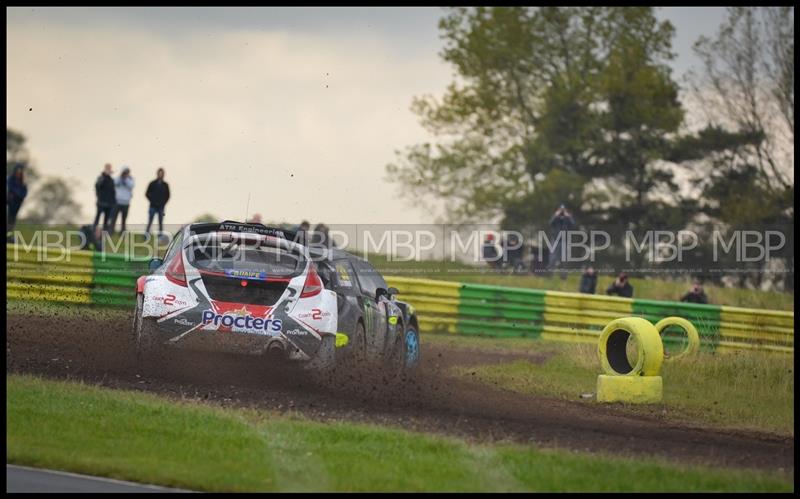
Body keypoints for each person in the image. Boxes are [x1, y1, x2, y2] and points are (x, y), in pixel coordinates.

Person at [548, 204, 575, 278]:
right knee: (552, 258)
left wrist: (568, 216)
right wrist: (555, 215)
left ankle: (563, 276)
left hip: (565, 240)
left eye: (563, 210)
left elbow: (573, 225)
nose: (562, 211)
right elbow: (550, 223)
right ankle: (550, 275)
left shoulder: (568, 217)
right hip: (555, 239)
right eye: (561, 210)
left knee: (564, 259)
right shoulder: (556, 217)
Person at [145, 167, 170, 236]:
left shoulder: (165, 185)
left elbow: (168, 196)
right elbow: (147, 194)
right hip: (153, 206)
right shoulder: (152, 183)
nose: (160, 175)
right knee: (150, 221)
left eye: (162, 174)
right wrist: (152, 201)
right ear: (157, 174)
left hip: (161, 207)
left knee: (160, 222)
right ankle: (146, 234)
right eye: (159, 173)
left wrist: (163, 203)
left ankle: (160, 236)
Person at [111, 166, 135, 234]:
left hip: (126, 203)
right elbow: (115, 183)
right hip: (117, 202)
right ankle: (111, 231)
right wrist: (121, 177)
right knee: (114, 218)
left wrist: (126, 178)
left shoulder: (130, 179)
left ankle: (122, 233)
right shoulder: (118, 178)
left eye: (127, 172)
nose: (125, 173)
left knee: (124, 219)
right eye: (124, 172)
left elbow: (131, 186)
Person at [94, 163, 116, 232]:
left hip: (109, 203)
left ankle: (104, 233)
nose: (109, 170)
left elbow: (113, 192)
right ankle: (93, 230)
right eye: (107, 168)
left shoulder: (112, 180)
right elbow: (98, 186)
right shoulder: (101, 178)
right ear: (105, 169)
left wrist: (113, 202)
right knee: (97, 218)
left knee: (106, 220)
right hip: (101, 202)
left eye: (110, 168)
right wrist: (105, 175)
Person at [7, 164, 28, 236]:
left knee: (12, 219)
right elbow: (10, 189)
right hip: (9, 203)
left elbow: (23, 193)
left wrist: (18, 195)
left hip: (16, 204)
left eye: (20, 172)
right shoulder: (10, 180)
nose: (18, 174)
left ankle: (9, 234)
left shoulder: (22, 183)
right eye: (17, 172)